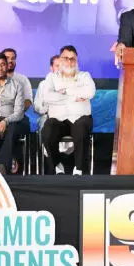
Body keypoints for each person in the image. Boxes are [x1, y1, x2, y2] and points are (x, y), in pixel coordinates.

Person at [38, 46, 96, 175]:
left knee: (82, 126)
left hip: (80, 117)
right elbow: (47, 97)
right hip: (59, 119)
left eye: (72, 59)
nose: (69, 62)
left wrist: (66, 91)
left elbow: (90, 92)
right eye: (66, 58)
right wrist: (75, 97)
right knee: (47, 129)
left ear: (76, 61)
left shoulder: (84, 76)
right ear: (60, 60)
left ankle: (79, 169)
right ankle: (57, 164)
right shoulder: (51, 77)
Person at [3, 47, 33, 173]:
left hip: (19, 118)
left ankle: (7, 164)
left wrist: (14, 113)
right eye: (7, 58)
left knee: (12, 127)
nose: (10, 61)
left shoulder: (22, 79)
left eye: (13, 58)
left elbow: (28, 101)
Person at [34, 55, 62, 131]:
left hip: (64, 117)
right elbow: (37, 105)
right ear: (51, 68)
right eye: (57, 66)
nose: (60, 69)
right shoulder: (43, 84)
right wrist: (46, 110)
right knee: (46, 124)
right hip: (47, 116)